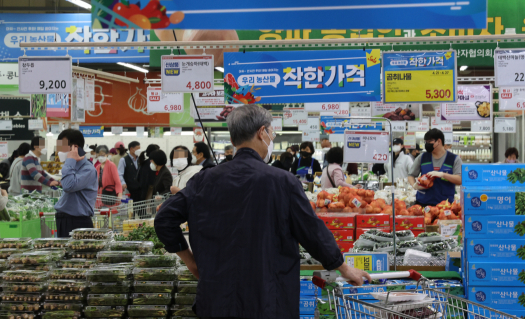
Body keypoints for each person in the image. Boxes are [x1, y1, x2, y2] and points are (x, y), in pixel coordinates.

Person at [154, 105, 369, 319]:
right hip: (268, 300)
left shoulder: (203, 180)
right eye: (271, 132)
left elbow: (164, 219)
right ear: (262, 132)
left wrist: (191, 262)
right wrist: (344, 269)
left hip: (216, 300)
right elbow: (312, 232)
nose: (271, 137)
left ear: (233, 138)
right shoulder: (282, 182)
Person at [54, 129, 98, 238]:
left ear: (75, 147)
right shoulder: (72, 167)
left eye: (63, 148)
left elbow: (68, 186)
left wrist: (70, 160)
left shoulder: (88, 170)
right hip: (65, 220)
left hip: (77, 222)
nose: (59, 152)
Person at [408, 129, 462, 207]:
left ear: (439, 141)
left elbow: (459, 180)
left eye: (430, 141)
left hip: (445, 205)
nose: (427, 144)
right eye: (426, 142)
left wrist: (443, 175)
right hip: (423, 203)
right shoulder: (422, 157)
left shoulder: (454, 159)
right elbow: (411, 175)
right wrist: (414, 185)